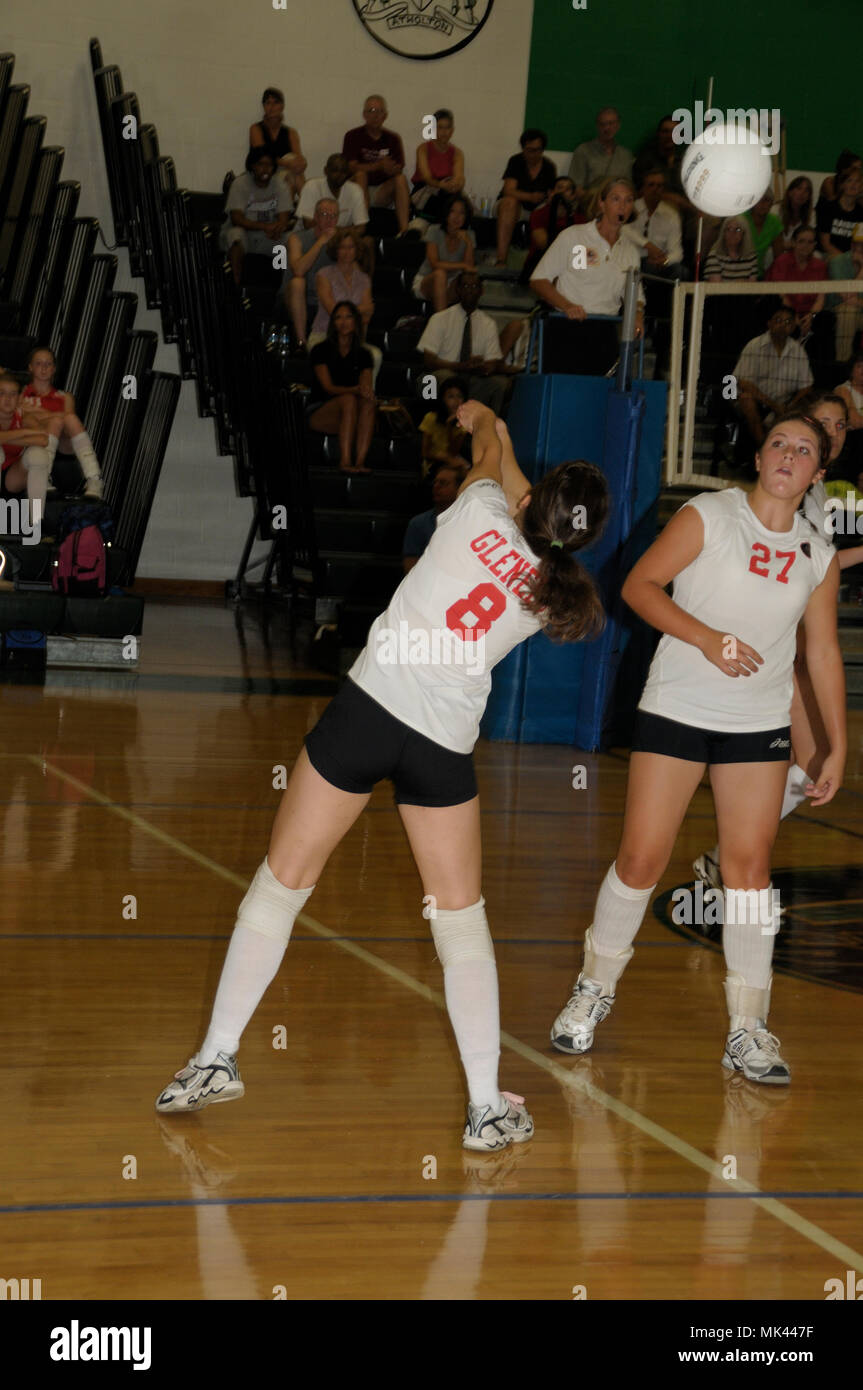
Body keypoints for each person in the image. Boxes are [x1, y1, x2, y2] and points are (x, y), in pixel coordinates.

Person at [154, 402, 611, 1154]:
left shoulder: (476, 511)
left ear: (529, 501)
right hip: (439, 748)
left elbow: (493, 455)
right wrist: (509, 456)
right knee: (459, 921)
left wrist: (484, 418)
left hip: (366, 713)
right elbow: (542, 517)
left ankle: (215, 1059)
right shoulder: (552, 593)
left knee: (282, 883)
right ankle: (485, 1107)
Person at [550, 410, 844, 1085]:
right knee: (641, 857)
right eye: (778, 443)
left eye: (803, 451)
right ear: (761, 453)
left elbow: (821, 652)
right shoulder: (709, 515)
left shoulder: (817, 555)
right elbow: (637, 587)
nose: (787, 456)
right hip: (677, 709)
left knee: (747, 872)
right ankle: (593, 990)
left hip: (757, 726)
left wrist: (836, 745)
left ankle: (746, 1029)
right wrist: (706, 638)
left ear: (816, 474)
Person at [694, 392, 861, 900]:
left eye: (839, 424)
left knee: (811, 768)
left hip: (802, 646)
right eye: (822, 423)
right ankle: (732, 861)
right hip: (769, 649)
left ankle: (726, 859)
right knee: (799, 762)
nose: (832, 430)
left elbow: (823, 564)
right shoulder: (787, 485)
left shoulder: (832, 491)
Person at [530, 177, 645, 376]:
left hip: (605, 332)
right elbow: (539, 280)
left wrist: (638, 316)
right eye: (615, 199)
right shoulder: (574, 236)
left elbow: (636, 298)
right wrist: (567, 306)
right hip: (567, 329)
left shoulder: (630, 251)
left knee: (598, 400)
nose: (622, 206)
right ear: (601, 203)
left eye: (628, 200)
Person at [418, 270, 518, 415]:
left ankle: (490, 428)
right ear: (458, 290)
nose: (470, 291)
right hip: (437, 377)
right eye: (465, 286)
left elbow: (491, 364)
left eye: (474, 286)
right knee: (441, 379)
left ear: (481, 291)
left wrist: (480, 366)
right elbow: (428, 361)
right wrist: (459, 366)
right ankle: (433, 423)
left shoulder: (488, 323)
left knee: (500, 384)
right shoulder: (440, 319)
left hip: (471, 380)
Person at [20, 346, 103, 499]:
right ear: (30, 367)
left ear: (54, 369)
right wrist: (52, 417)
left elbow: (69, 417)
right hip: (34, 440)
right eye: (38, 363)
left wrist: (38, 413)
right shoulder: (22, 394)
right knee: (52, 420)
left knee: (67, 420)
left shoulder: (65, 397)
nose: (44, 368)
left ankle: (94, 479)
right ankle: (43, 475)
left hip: (63, 443)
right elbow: (21, 418)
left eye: (48, 364)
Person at [306, 301, 376, 475]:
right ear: (333, 323)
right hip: (320, 409)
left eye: (348, 317)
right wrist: (355, 389)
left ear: (356, 322)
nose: (343, 322)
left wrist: (366, 392)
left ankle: (360, 462)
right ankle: (345, 461)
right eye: (338, 317)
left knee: (367, 402)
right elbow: (328, 388)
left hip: (350, 411)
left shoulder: (364, 354)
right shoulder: (320, 350)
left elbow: (365, 385)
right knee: (349, 400)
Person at [732, 304, 813, 448]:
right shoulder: (755, 345)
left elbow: (806, 386)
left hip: (785, 401)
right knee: (746, 399)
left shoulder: (797, 350)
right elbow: (744, 383)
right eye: (778, 320)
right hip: (757, 399)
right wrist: (773, 405)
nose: (783, 325)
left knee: (805, 406)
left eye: (788, 322)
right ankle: (763, 446)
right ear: (769, 323)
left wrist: (792, 403)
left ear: (794, 326)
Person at [309, 229, 381, 382]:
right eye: (342, 247)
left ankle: (366, 398)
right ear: (336, 250)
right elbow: (333, 311)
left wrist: (354, 312)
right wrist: (358, 310)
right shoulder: (324, 274)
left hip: (353, 339)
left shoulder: (364, 279)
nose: (347, 252)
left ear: (357, 250)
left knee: (375, 355)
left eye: (351, 247)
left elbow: (368, 315)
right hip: (324, 335)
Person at [222, 148, 293, 285]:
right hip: (245, 235)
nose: (265, 169)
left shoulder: (280, 185)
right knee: (236, 235)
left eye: (270, 165)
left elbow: (284, 219)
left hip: (268, 237)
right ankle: (235, 286)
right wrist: (265, 226)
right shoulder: (240, 183)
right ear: (252, 166)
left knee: (290, 240)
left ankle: (282, 288)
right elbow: (236, 219)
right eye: (261, 164)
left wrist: (278, 228)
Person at [342, 95, 410, 235]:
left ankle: (404, 230)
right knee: (361, 175)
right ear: (364, 114)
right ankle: (362, 227)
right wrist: (378, 165)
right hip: (357, 189)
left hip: (380, 191)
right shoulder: (352, 136)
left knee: (401, 179)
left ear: (385, 115)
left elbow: (398, 168)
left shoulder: (393, 139)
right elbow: (350, 167)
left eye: (379, 111)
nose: (375, 115)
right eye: (371, 110)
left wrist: (391, 168)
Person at [495, 129, 557, 268]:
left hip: (538, 208)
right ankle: (501, 259)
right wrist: (530, 197)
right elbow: (508, 190)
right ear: (523, 149)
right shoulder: (516, 161)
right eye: (530, 150)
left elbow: (551, 193)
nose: (534, 154)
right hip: (514, 206)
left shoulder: (549, 167)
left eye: (538, 150)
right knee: (509, 203)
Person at [767, 227, 829, 364]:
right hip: (786, 310)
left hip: (810, 313)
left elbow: (821, 298)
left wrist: (811, 316)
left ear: (814, 245)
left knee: (826, 320)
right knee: (784, 322)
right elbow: (781, 295)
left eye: (810, 242)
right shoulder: (782, 262)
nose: (806, 246)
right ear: (794, 243)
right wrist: (793, 317)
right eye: (801, 241)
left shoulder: (820, 266)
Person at [285, 197, 339, 352]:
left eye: (333, 216)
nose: (329, 220)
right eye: (324, 215)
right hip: (293, 298)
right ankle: (301, 342)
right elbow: (298, 270)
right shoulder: (297, 238)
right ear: (315, 217)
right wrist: (321, 241)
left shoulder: (340, 242)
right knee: (298, 282)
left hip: (323, 299)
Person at [0, 371, 58, 517]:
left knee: (38, 454)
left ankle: (36, 521)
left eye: (13, 394)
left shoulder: (25, 416)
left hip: (11, 476)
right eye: (2, 393)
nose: (7, 399)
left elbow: (43, 440)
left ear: (20, 398)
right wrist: (24, 432)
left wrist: (5, 437)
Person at [412, 196, 475, 311]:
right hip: (428, 279)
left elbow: (469, 268)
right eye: (452, 211)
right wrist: (462, 265)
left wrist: (469, 244)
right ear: (446, 213)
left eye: (461, 213)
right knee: (440, 274)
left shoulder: (469, 235)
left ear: (466, 217)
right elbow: (434, 264)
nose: (457, 217)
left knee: (468, 281)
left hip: (452, 283)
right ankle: (442, 322)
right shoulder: (434, 230)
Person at [568, 107, 633, 214]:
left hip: (617, 212)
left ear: (618, 125)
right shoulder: (583, 151)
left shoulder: (626, 155)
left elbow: (628, 189)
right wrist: (599, 202)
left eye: (611, 123)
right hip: (588, 211)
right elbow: (576, 188)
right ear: (597, 126)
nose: (607, 128)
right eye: (602, 124)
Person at [402, 463, 463, 572]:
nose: (436, 486)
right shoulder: (418, 523)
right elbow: (410, 565)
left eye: (443, 483)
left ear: (459, 489)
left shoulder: (469, 520)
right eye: (435, 482)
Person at [249, 87, 306, 200]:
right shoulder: (256, 128)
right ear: (264, 106)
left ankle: (288, 213)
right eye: (268, 103)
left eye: (275, 102)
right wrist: (287, 164)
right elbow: (260, 157)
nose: (271, 107)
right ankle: (305, 212)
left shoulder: (291, 132)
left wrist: (301, 163)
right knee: (292, 176)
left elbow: (299, 158)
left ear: (282, 106)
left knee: (294, 175)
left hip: (287, 175)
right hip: (264, 173)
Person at [411, 108, 465, 223]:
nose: (444, 132)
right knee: (446, 196)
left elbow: (459, 177)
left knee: (458, 199)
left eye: (447, 128)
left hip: (447, 190)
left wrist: (456, 184)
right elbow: (427, 178)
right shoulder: (423, 149)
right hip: (424, 190)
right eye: (440, 127)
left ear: (452, 130)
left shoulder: (457, 153)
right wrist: (441, 185)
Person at [632, 115, 689, 214]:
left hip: (686, 210)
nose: (669, 136)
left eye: (674, 132)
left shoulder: (685, 160)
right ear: (659, 134)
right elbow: (639, 192)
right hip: (653, 207)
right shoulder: (646, 159)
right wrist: (671, 198)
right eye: (665, 131)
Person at [295, 154, 367, 233]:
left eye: (344, 171)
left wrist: (335, 233)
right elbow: (308, 225)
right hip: (308, 237)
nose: (340, 175)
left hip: (340, 239)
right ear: (326, 171)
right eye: (335, 170)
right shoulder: (312, 186)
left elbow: (361, 228)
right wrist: (341, 231)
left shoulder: (355, 190)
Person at [419, 375, 470, 476]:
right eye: (451, 397)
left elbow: (453, 452)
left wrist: (449, 428)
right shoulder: (431, 417)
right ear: (443, 399)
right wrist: (444, 457)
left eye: (459, 396)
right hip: (432, 462)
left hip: (452, 459)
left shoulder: (464, 422)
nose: (456, 401)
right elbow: (425, 452)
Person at [826, 224, 863, 362]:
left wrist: (857, 302)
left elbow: (852, 299)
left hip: (860, 310)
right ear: (853, 245)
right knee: (848, 312)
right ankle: (842, 365)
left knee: (852, 308)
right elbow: (846, 296)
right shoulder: (837, 262)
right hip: (837, 310)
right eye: (860, 244)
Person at [817, 167, 863, 259]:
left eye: (857, 181)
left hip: (851, 257)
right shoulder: (829, 208)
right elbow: (825, 243)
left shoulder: (861, 213)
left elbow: (859, 244)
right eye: (849, 181)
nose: (853, 185)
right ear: (842, 185)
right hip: (828, 254)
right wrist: (844, 259)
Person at [743, 192, 784, 277]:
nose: (762, 204)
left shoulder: (774, 222)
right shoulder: (741, 219)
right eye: (758, 200)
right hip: (737, 271)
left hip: (759, 274)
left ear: (771, 204)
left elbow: (779, 257)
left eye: (766, 200)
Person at [778, 176, 813, 250]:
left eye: (806, 191)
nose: (802, 193)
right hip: (777, 249)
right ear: (790, 192)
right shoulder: (776, 210)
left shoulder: (812, 214)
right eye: (799, 188)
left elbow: (809, 241)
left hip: (799, 251)